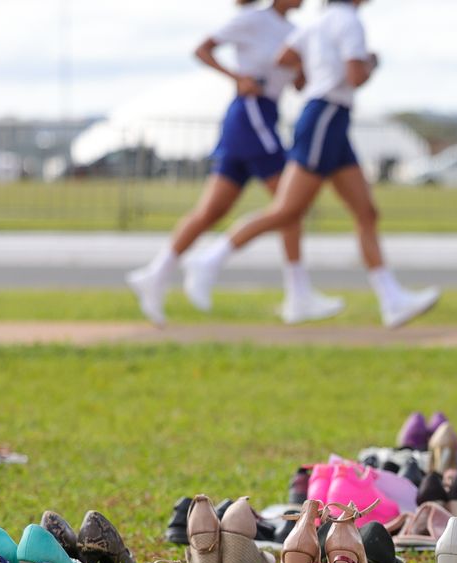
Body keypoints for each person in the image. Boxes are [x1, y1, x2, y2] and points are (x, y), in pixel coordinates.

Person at [181, 0, 440, 329]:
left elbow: (284, 58)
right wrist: (370, 62)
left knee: (366, 212)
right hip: (326, 116)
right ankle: (210, 258)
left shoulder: (318, 22)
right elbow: (355, 77)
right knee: (287, 211)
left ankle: (392, 300)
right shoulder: (349, 21)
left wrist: (316, 66)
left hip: (330, 118)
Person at [127, 0, 344, 327]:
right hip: (251, 113)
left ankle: (155, 273)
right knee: (289, 206)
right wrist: (237, 77)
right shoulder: (252, 20)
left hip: (262, 115)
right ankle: (294, 292)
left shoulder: (295, 31)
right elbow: (203, 49)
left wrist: (306, 66)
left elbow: (298, 84)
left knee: (212, 211)